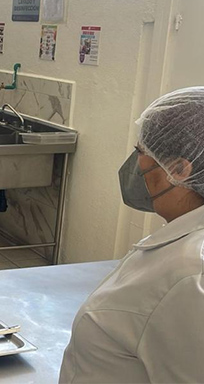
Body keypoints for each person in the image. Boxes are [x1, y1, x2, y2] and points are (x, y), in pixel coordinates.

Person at [60, 87, 204, 382]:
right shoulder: (181, 245)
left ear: (179, 169)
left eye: (142, 152)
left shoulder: (190, 276)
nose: (135, 164)